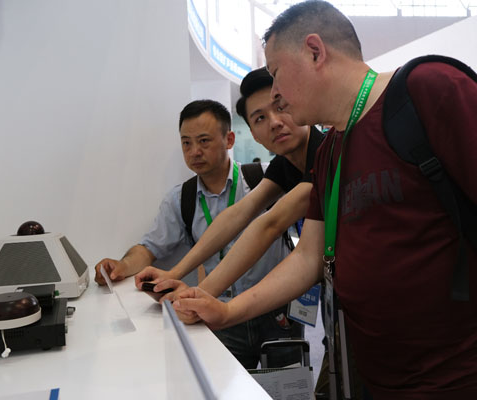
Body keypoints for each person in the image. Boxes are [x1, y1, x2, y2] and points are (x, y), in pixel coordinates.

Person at [173, 1, 477, 398]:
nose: (276, 95)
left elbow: (269, 223)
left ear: (315, 51)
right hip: (377, 378)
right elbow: (308, 256)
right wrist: (228, 310)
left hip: (457, 377)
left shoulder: (428, 89)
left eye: (276, 74)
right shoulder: (332, 149)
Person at [94, 99, 291, 368]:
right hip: (218, 311)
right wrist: (122, 266)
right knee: (224, 383)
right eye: (186, 143)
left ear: (229, 139)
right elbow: (149, 248)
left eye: (204, 141)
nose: (194, 151)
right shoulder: (182, 199)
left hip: (275, 310)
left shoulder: (264, 181)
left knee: (287, 383)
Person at [136, 68, 322, 316]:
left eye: (280, 107)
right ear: (253, 134)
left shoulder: (326, 155)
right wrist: (177, 275)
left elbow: (270, 224)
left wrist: (211, 302)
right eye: (259, 118)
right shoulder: (284, 164)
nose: (275, 122)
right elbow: (239, 214)